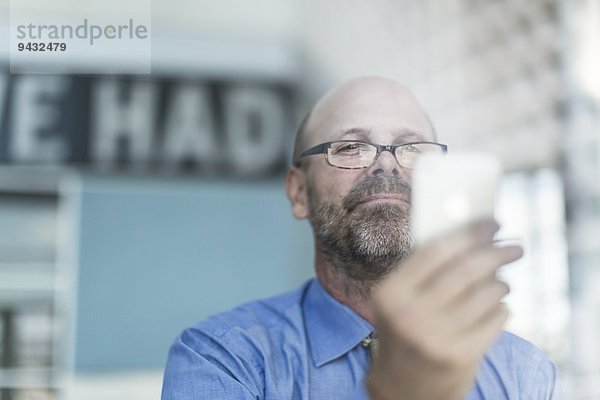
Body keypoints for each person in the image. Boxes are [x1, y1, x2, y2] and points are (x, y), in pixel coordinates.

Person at [161, 77, 560, 399]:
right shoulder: (223, 358)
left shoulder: (523, 372)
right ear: (299, 193)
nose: (386, 165)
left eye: (413, 149)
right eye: (351, 147)